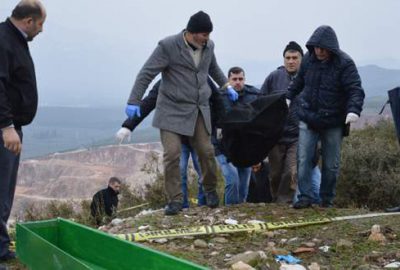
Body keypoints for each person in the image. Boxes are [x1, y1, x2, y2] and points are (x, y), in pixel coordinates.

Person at [124, 11, 236, 215]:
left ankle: (210, 190)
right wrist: (134, 100)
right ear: (191, 33)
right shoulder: (168, 46)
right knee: (172, 154)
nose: (207, 38)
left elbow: (213, 68)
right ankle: (175, 200)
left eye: (209, 34)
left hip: (198, 109)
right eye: (203, 34)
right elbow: (146, 73)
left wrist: (226, 85)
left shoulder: (208, 46)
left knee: (206, 151)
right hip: (171, 110)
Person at [286, 26, 365, 209]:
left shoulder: (345, 63)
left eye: (323, 48)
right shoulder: (308, 59)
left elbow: (355, 89)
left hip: (333, 120)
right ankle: (305, 196)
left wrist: (353, 110)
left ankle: (326, 200)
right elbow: (299, 81)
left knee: (331, 164)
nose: (319, 51)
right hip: (308, 116)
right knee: (304, 158)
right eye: (316, 47)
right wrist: (289, 95)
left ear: (331, 47)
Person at [0, 0, 46, 261]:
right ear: (29, 21)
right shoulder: (4, 40)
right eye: (40, 24)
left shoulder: (14, 40)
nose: (41, 30)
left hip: (11, 128)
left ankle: (1, 248)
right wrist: (6, 126)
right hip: (4, 129)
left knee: (4, 193)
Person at [116, 81, 206, 209]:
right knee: (178, 172)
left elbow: (216, 100)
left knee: (205, 171)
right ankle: (181, 205)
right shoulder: (164, 83)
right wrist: (128, 125)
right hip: (177, 137)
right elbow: (147, 104)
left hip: (199, 136)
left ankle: (204, 205)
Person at [261, 41, 321, 204]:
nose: (291, 61)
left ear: (302, 59)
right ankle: (276, 201)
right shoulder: (274, 77)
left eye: (295, 57)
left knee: (290, 172)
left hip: (298, 135)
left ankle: (284, 204)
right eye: (287, 57)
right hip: (275, 136)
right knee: (275, 174)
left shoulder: (309, 79)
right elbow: (261, 102)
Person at [213, 67, 260, 204]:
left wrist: (256, 154)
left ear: (244, 79)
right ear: (228, 80)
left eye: (240, 79)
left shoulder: (254, 95)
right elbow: (211, 123)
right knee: (232, 180)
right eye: (234, 79)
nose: (237, 82)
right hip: (223, 147)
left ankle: (239, 215)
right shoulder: (218, 97)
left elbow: (258, 126)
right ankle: (230, 212)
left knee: (243, 187)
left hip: (244, 148)